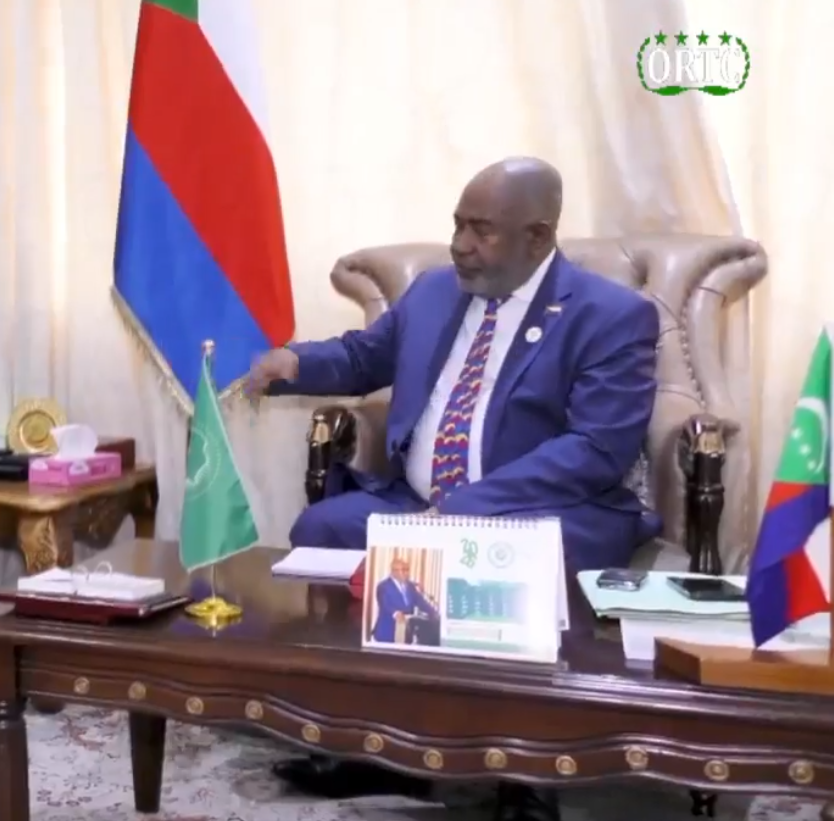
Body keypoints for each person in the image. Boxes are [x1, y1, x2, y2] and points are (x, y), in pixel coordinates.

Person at [245, 158, 659, 821]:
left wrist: (462, 509)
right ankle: (373, 745)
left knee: (510, 562)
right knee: (325, 528)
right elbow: (364, 356)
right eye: (458, 225)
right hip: (419, 502)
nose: (461, 244)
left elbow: (596, 449)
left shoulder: (610, 315)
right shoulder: (434, 292)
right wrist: (294, 362)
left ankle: (527, 775)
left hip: (544, 509)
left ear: (537, 236)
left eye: (481, 230)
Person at [372, 558, 439, 644]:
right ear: (394, 572)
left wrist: (433, 613)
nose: (406, 573)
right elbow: (385, 604)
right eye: (403, 570)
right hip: (387, 632)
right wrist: (396, 613)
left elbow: (420, 602)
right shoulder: (383, 586)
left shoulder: (410, 586)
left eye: (407, 570)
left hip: (405, 632)